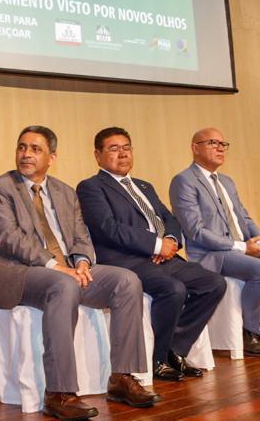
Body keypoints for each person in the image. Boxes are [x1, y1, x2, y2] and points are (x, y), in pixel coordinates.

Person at [0, 126, 156, 420]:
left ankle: (122, 378)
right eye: (22, 147)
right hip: (20, 273)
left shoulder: (64, 191)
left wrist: (84, 261)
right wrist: (55, 266)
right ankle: (59, 392)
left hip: (68, 270)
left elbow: (80, 235)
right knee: (63, 285)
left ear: (52, 156)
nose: (26, 154)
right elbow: (9, 239)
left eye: (35, 149)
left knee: (126, 280)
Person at [77, 127, 226, 382]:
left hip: (164, 256)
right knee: (173, 289)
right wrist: (155, 246)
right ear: (98, 155)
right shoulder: (91, 187)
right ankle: (157, 359)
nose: (122, 154)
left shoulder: (144, 185)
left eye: (126, 147)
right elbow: (108, 229)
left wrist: (169, 240)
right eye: (114, 149)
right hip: (126, 261)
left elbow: (169, 218)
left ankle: (174, 350)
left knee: (213, 283)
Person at [169, 128, 260, 356]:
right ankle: (249, 332)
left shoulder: (226, 181)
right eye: (212, 143)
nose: (219, 148)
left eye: (223, 144)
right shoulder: (184, 181)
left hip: (244, 248)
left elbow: (244, 217)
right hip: (212, 255)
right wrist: (243, 247)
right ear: (195, 148)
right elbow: (196, 231)